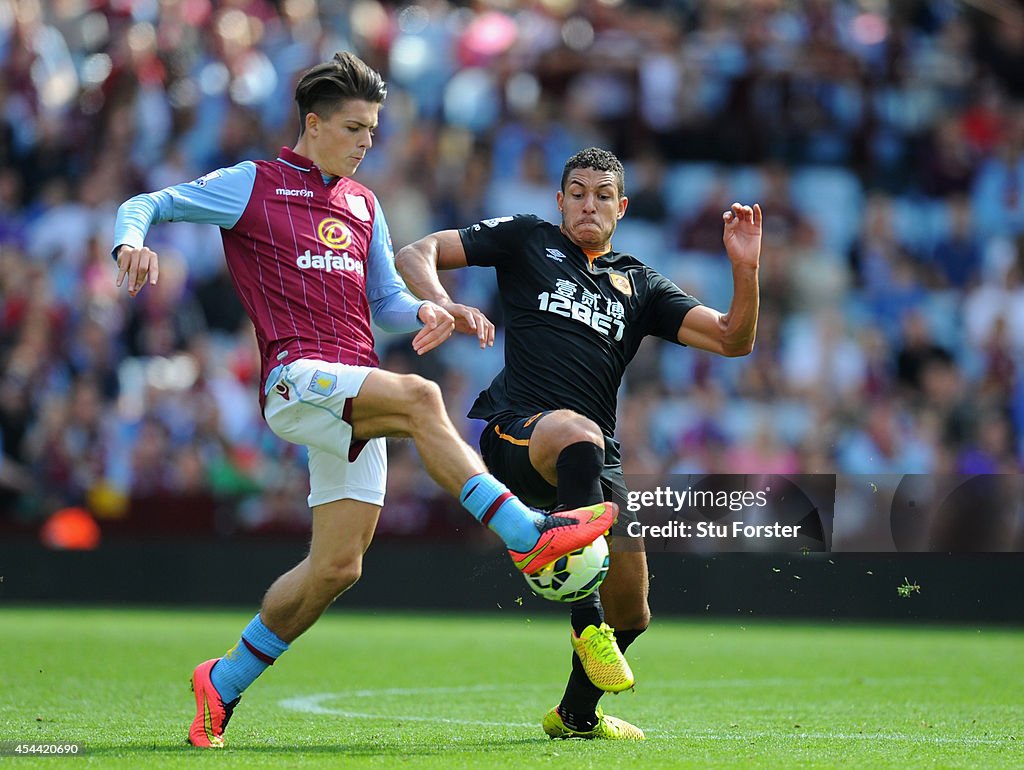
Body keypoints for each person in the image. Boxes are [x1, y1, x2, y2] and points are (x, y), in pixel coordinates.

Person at [111, 52, 616, 749]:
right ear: (312, 125)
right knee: (418, 395)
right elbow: (148, 202)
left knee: (337, 568)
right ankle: (527, 535)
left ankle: (219, 685)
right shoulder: (252, 184)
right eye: (354, 128)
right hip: (297, 379)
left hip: (351, 392)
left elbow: (385, 300)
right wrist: (130, 242)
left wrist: (438, 313)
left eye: (373, 130)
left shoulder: (363, 204)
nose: (366, 142)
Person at [395, 147, 762, 740]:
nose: (588, 203)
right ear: (560, 200)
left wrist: (744, 271)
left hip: (592, 458)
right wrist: (441, 302)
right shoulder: (526, 239)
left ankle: (575, 715)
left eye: (601, 195)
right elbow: (418, 251)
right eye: (577, 192)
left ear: (621, 207)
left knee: (633, 610)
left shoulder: (639, 283)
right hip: (519, 430)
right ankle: (583, 619)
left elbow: (733, 340)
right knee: (577, 432)